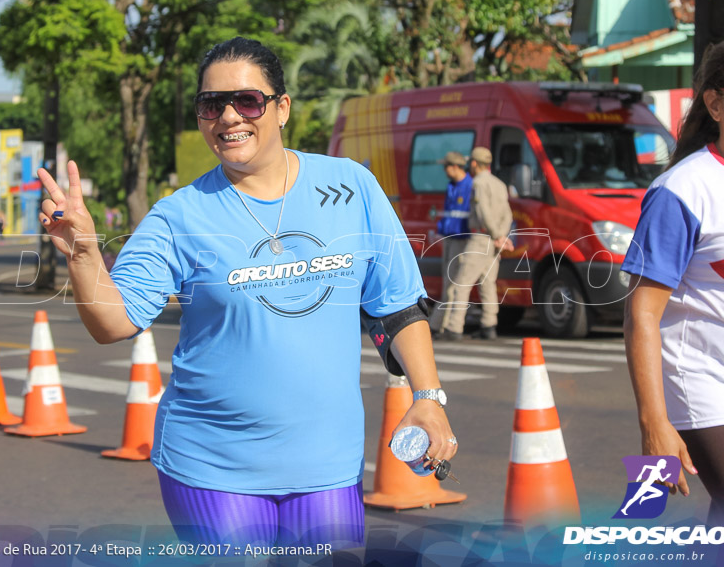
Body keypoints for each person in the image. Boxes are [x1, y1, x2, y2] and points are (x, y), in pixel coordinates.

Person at [38, 36, 457, 550]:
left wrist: (428, 398)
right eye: (212, 104)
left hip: (327, 463)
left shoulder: (352, 186)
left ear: (281, 109)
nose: (230, 116)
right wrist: (83, 255)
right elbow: (114, 323)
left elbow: (395, 308)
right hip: (213, 463)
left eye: (248, 101)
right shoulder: (179, 215)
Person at [622, 38, 724, 550]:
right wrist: (654, 423)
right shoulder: (683, 190)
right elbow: (643, 316)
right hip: (705, 383)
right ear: (716, 104)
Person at [439, 147, 514, 341]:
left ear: (473, 163)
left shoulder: (478, 184)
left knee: (460, 283)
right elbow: (507, 214)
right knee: (487, 283)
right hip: (494, 240)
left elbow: (482, 212)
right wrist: (502, 235)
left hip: (481, 238)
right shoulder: (499, 183)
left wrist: (495, 234)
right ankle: (489, 325)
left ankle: (454, 328)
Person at [435, 151, 472, 338]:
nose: (444, 170)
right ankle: (439, 324)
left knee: (455, 283)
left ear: (455, 167)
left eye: (446, 166)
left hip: (462, 239)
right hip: (450, 238)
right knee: (447, 283)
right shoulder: (452, 186)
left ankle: (449, 326)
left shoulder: (470, 186)